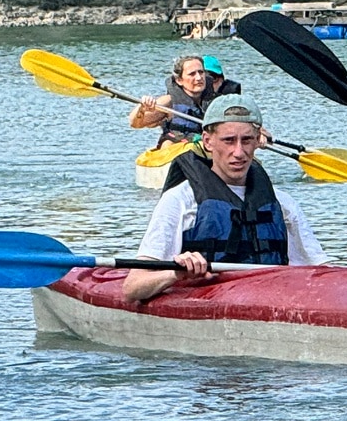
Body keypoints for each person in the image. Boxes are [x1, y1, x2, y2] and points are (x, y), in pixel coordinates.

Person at [123, 97, 328, 302]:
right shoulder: (180, 200)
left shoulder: (283, 204)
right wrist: (176, 273)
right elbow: (133, 288)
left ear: (258, 140)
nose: (239, 152)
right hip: (208, 307)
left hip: (270, 302)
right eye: (228, 140)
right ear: (207, 141)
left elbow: (320, 272)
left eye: (246, 140)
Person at [130, 53, 240, 143]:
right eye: (192, 74)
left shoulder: (218, 102)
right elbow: (136, 123)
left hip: (205, 150)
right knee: (168, 143)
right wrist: (142, 108)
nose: (198, 78)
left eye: (201, 72)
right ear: (179, 80)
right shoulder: (169, 101)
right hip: (178, 148)